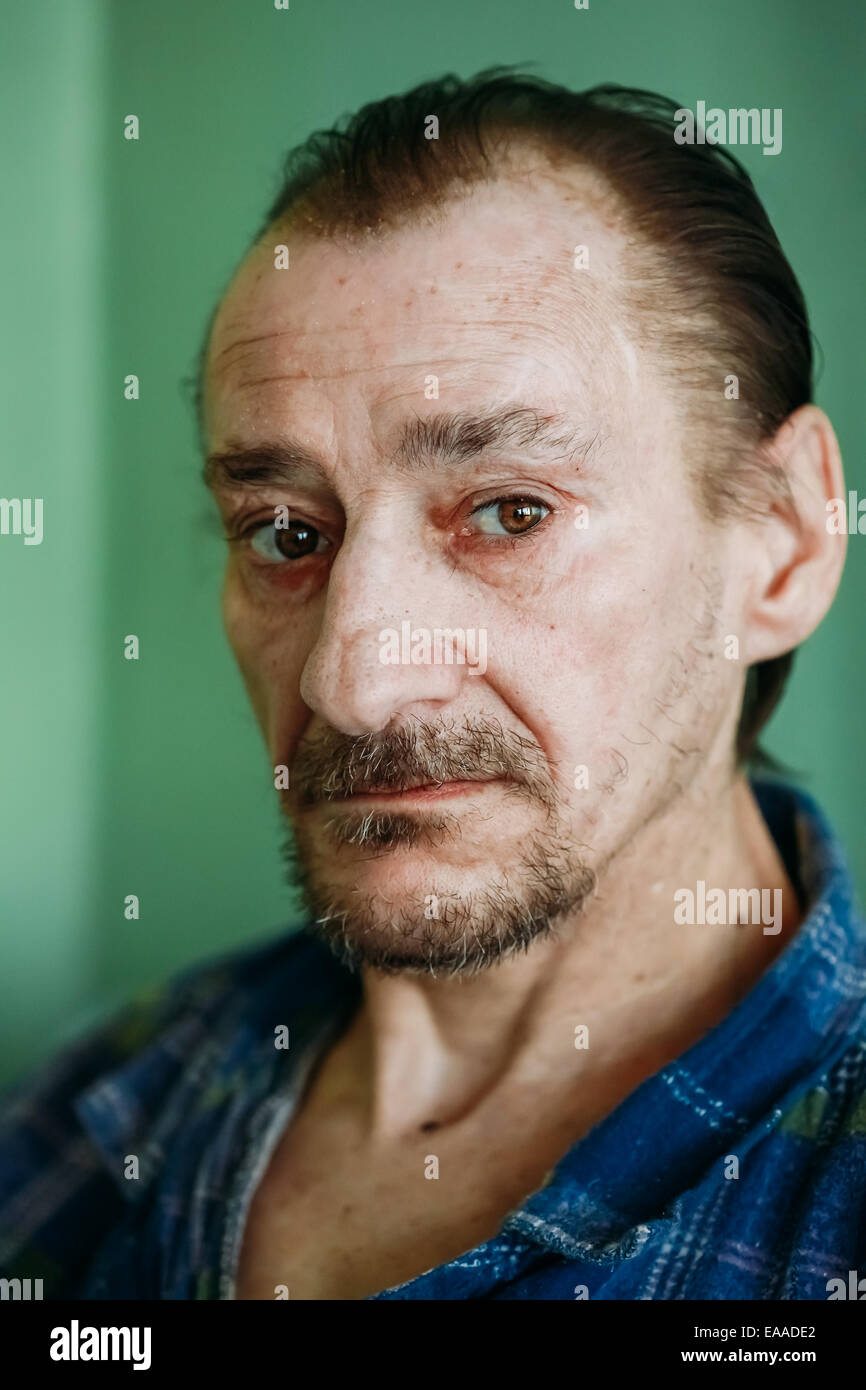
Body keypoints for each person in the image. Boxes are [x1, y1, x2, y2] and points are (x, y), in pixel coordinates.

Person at [2, 70, 864, 1302]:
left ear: (780, 539)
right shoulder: (99, 1109)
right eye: (286, 533)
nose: (352, 683)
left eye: (507, 513)